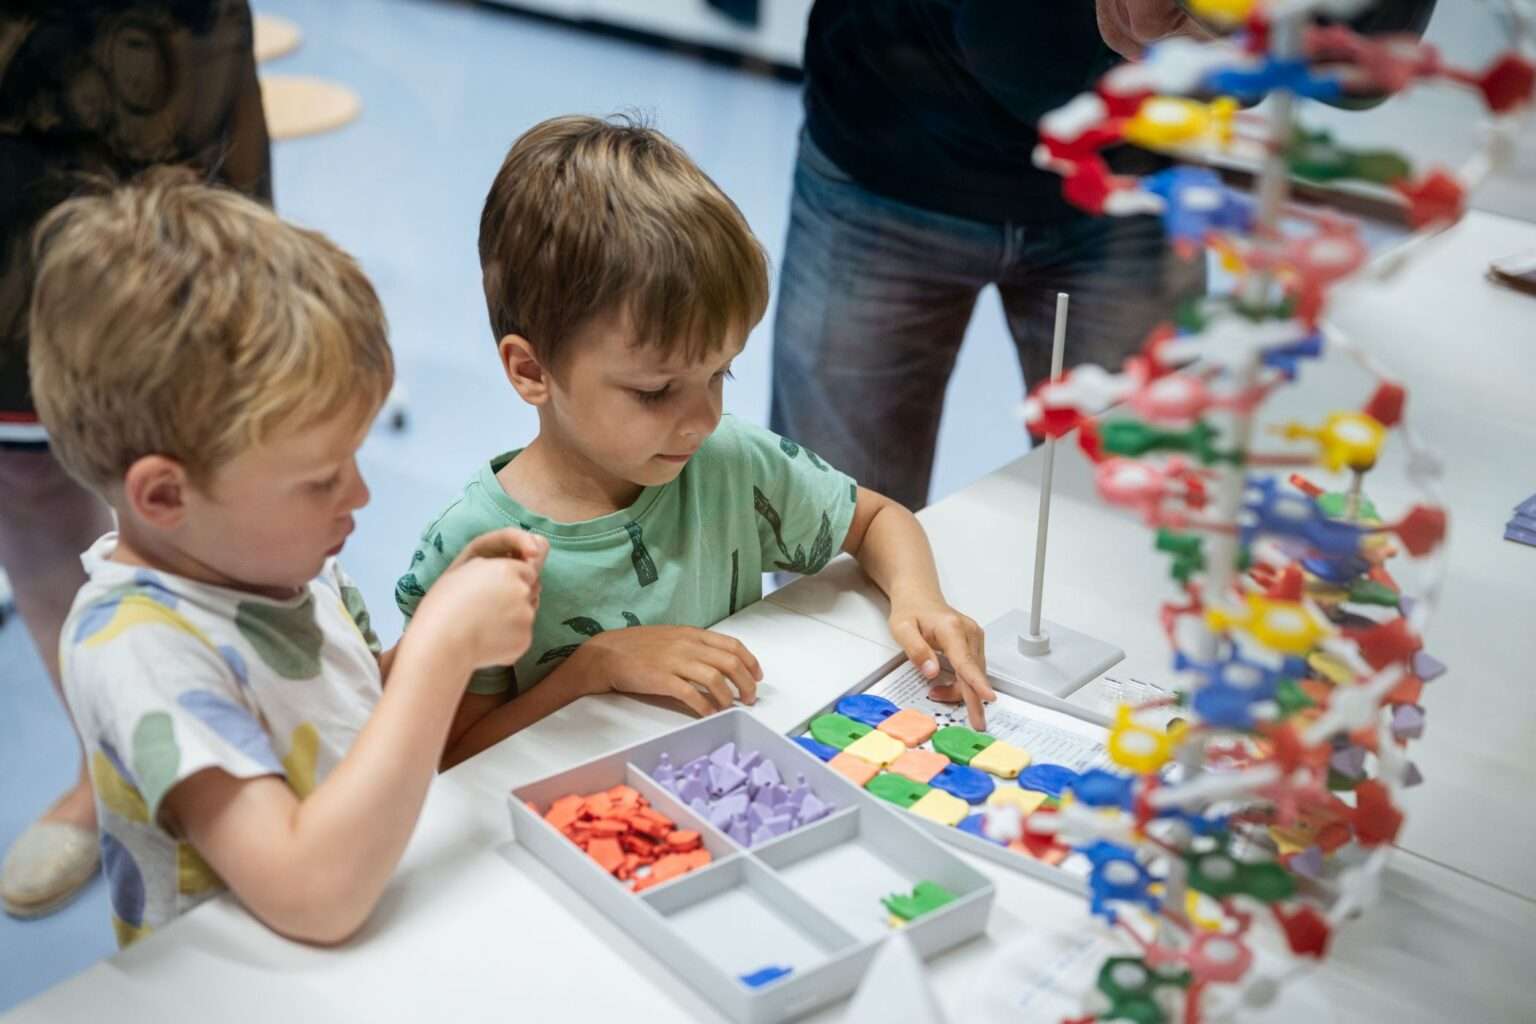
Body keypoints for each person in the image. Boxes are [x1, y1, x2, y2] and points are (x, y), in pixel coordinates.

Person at [27, 170, 544, 946]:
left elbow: (350, 719)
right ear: (165, 496)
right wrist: (443, 649)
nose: (361, 495)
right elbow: (310, 896)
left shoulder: (269, 562)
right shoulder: (135, 650)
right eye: (319, 479)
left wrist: (441, 622)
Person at [397, 114, 995, 768]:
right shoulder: (477, 549)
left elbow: (877, 518)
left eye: (720, 373)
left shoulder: (730, 461)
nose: (702, 418)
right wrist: (592, 669)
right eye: (655, 391)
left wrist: (920, 599)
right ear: (532, 371)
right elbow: (445, 761)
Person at [0, 0, 272, 919]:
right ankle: (110, 753)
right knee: (25, 469)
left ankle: (250, 743)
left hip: (145, 52)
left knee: (209, 409)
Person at [770, 0, 1212, 513]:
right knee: (835, 544)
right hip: (880, 145)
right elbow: (1010, 49)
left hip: (1132, 182)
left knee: (1131, 524)